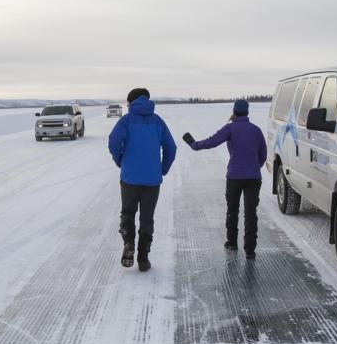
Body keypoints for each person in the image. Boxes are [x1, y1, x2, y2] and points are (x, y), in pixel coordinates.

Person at [182, 99, 267, 258]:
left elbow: (212, 141)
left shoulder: (231, 128)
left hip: (234, 176)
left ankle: (232, 243)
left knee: (232, 210)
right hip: (254, 178)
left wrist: (194, 145)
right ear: (247, 112)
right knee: (250, 213)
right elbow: (263, 155)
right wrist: (253, 168)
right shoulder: (256, 130)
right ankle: (250, 250)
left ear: (234, 111)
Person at [108, 87, 177, 272]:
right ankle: (144, 258)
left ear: (130, 102)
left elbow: (113, 142)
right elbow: (171, 147)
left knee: (128, 213)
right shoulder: (158, 121)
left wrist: (120, 160)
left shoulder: (126, 120)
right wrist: (162, 168)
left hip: (130, 177)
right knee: (147, 218)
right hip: (152, 180)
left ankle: (128, 242)